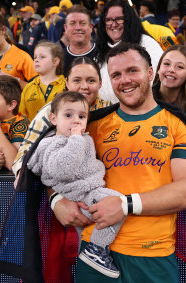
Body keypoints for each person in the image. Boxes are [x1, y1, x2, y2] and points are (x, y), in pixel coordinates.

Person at [0, 42, 186, 283]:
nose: (125, 80)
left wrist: (125, 204)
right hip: (93, 254)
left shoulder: (177, 124)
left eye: (133, 71)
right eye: (116, 75)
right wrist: (55, 199)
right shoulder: (91, 124)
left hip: (153, 254)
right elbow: (52, 166)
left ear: (150, 74)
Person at [27, 91, 124, 278]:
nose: (76, 121)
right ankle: (97, 249)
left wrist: (78, 139)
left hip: (88, 191)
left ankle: (89, 255)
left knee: (84, 235)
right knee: (118, 203)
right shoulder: (52, 143)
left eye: (81, 116)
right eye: (68, 115)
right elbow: (63, 170)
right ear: (53, 118)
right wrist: (76, 139)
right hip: (80, 195)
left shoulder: (80, 138)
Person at [95, 0, 163, 103]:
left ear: (129, 20)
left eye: (119, 19)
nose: (114, 24)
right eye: (108, 20)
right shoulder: (100, 51)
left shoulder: (147, 43)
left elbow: (156, 80)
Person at [0, 8, 37, 115]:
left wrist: (14, 81)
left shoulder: (22, 56)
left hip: (13, 117)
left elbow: (37, 90)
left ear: (3, 30)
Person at [19, 41, 65, 121]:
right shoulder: (28, 87)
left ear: (55, 61)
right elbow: (21, 116)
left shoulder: (66, 85)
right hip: (33, 132)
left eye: (42, 57)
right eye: (35, 57)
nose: (36, 60)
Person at [153, 45, 186, 112]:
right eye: (167, 63)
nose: (171, 70)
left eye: (179, 67)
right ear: (159, 68)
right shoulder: (144, 98)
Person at [62, 5, 97, 76]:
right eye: (72, 23)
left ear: (90, 27)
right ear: (65, 28)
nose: (78, 28)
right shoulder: (59, 60)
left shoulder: (104, 55)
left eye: (82, 23)